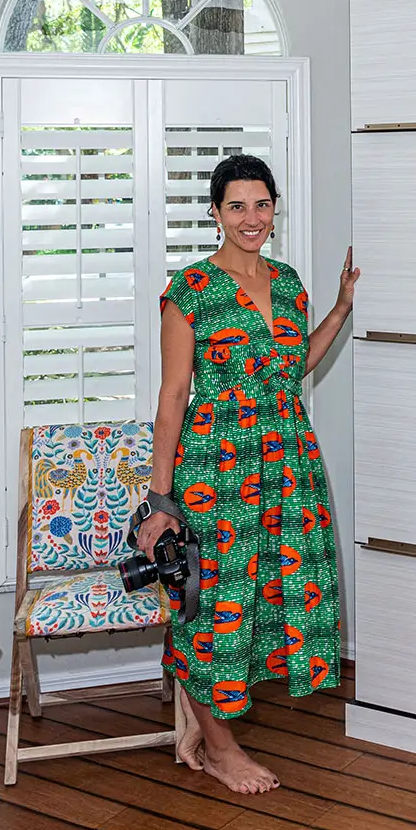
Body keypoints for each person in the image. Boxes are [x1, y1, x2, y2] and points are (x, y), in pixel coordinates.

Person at [137, 154, 360, 794]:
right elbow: (173, 394)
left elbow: (293, 368)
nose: (251, 218)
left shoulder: (288, 284)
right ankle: (222, 748)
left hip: (289, 466)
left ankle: (196, 725)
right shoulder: (191, 291)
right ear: (214, 212)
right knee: (213, 609)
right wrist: (159, 499)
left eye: (262, 205)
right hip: (216, 473)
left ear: (274, 208)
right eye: (237, 206)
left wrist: (340, 310)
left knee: (270, 600)